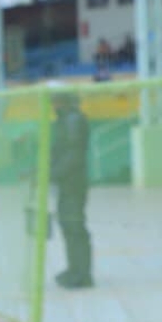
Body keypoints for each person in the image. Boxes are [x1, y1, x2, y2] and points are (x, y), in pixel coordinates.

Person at [50, 90, 92, 289]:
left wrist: (52, 174)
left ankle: (82, 274)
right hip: (66, 183)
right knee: (68, 226)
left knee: (75, 227)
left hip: (73, 183)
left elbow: (73, 155)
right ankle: (74, 269)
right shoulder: (64, 120)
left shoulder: (73, 121)